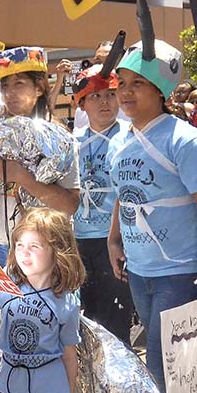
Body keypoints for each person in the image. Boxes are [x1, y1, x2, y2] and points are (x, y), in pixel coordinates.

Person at [106, 36, 197, 393]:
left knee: (167, 366)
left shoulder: (183, 140)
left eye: (138, 83)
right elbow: (122, 196)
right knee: (164, 363)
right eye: (122, 84)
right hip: (139, 270)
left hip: (180, 272)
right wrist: (114, 239)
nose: (126, 92)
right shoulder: (119, 140)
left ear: (161, 90)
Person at [0, 46, 80, 267]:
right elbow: (3, 204)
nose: (9, 93)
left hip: (47, 252)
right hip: (5, 250)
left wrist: (24, 179)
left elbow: (70, 204)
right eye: (5, 86)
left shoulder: (60, 139)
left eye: (19, 84)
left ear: (40, 88)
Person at [0, 208, 85, 393]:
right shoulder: (6, 284)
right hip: (7, 392)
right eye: (19, 244)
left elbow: (69, 353)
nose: (24, 253)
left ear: (57, 251)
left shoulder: (66, 301)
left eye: (35, 246)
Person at [71, 64, 135, 345]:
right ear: (82, 104)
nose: (104, 102)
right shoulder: (72, 143)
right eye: (94, 96)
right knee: (86, 320)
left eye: (109, 94)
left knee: (116, 323)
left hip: (117, 241)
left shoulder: (130, 136)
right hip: (79, 241)